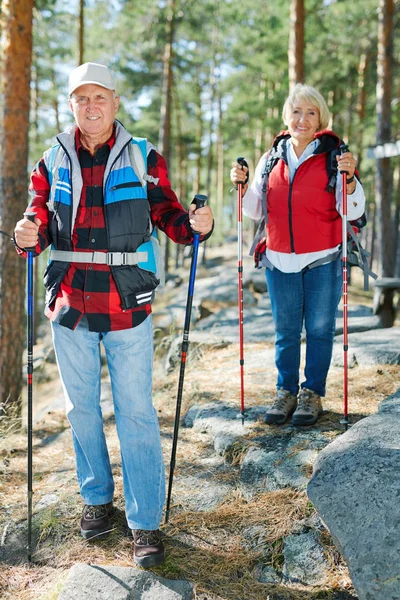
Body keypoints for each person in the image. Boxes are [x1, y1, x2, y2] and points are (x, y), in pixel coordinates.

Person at [14, 62, 214, 567]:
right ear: (71, 105)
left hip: (128, 304)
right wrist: (27, 230)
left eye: (99, 97)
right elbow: (38, 211)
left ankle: (145, 523)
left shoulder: (144, 155)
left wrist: (196, 226)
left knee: (137, 413)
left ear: (115, 102)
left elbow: (168, 215)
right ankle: (97, 499)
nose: (91, 107)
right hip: (71, 304)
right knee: (81, 409)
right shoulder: (52, 158)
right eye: (81, 99)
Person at [230, 83, 365, 427]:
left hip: (323, 257)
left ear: (321, 119)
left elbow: (351, 210)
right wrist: (242, 187)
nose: (302, 119)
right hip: (278, 258)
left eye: (311, 112)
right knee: (286, 331)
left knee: (319, 329)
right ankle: (285, 391)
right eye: (296, 111)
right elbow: (256, 210)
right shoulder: (271, 157)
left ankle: (311, 394)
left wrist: (349, 181)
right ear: (286, 115)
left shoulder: (335, 157)